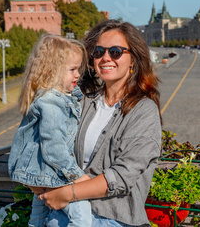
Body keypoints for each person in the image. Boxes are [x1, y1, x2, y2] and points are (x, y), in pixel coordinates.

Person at [40, 20, 162, 227]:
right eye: (98, 51)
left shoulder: (144, 110)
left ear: (133, 59)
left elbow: (122, 176)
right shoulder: (82, 101)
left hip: (112, 219)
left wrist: (67, 194)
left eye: (115, 52)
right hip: (65, 215)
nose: (106, 57)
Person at [8, 34, 92, 227]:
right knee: (82, 216)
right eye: (72, 69)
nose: (78, 74)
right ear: (52, 71)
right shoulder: (51, 102)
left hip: (38, 174)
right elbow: (54, 148)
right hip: (51, 174)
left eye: (78, 68)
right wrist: (78, 176)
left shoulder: (48, 96)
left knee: (37, 220)